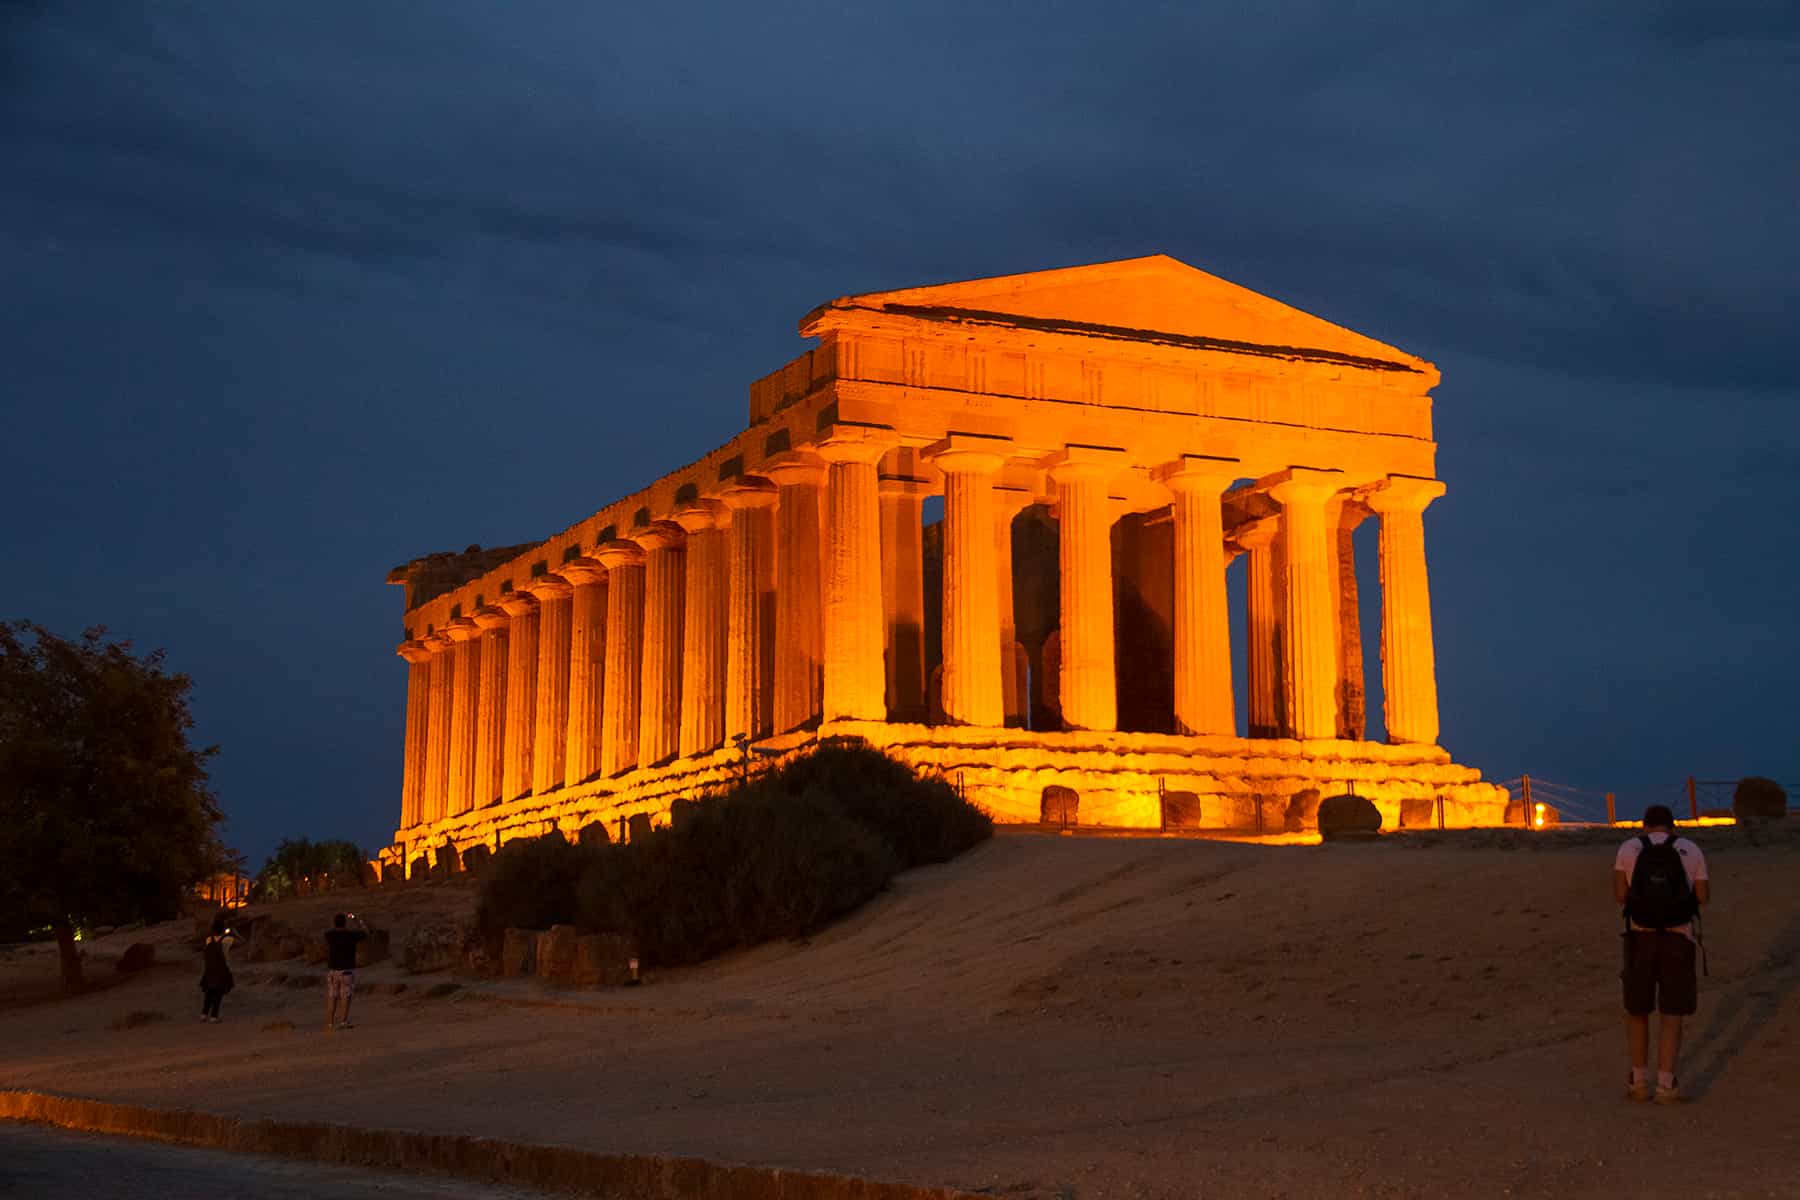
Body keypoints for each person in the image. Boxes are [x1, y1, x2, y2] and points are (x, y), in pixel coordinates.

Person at [1613, 804, 1709, 1104]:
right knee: (1672, 1012)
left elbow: (1620, 896)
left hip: (1640, 938)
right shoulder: (1690, 849)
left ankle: (1639, 1080)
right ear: (1672, 826)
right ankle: (1666, 1084)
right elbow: (1703, 897)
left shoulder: (1628, 848)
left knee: (1638, 1010)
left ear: (1645, 826)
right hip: (1678, 938)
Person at [323, 912, 369, 1031]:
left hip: (333, 971)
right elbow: (366, 932)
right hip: (347, 970)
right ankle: (343, 1021)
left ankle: (330, 1024)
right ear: (345, 923)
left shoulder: (330, 935)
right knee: (345, 996)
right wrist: (357, 919)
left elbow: (328, 929)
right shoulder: (351, 935)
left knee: (332, 996)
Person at [199, 912, 235, 1023]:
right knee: (218, 994)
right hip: (221, 970)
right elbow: (239, 942)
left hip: (209, 969)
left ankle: (204, 1014)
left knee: (208, 993)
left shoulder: (208, 940)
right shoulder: (227, 940)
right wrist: (231, 932)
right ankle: (214, 1016)